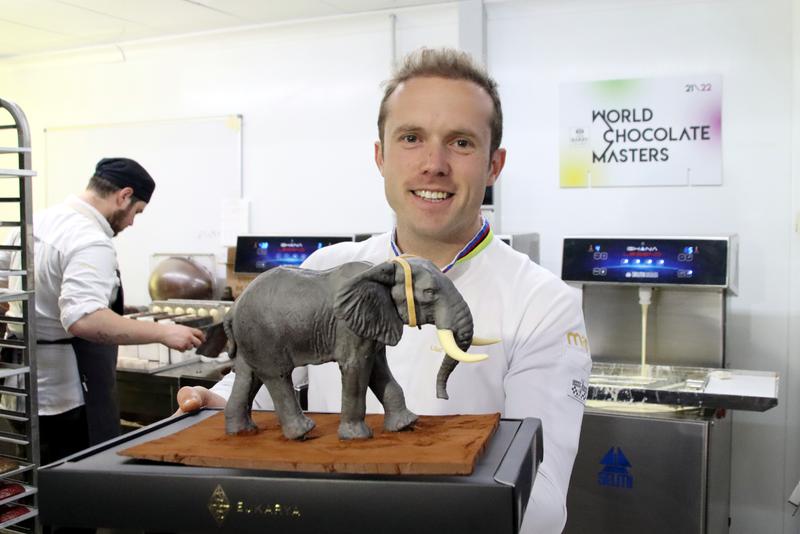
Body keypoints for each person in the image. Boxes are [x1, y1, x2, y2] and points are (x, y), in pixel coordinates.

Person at [177, 48, 591, 533]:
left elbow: (538, 499)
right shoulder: (326, 265)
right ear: (381, 156)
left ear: (494, 165)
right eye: (411, 138)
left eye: (460, 142)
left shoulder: (544, 304)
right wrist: (218, 401)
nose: (434, 164)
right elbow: (277, 379)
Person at [0, 157, 206, 465]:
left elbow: (3, 284)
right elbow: (84, 319)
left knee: (36, 485)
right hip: (66, 399)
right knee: (73, 491)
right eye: (136, 212)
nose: (132, 222)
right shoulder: (89, 239)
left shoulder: (36, 222)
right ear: (123, 195)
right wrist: (164, 332)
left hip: (21, 391)